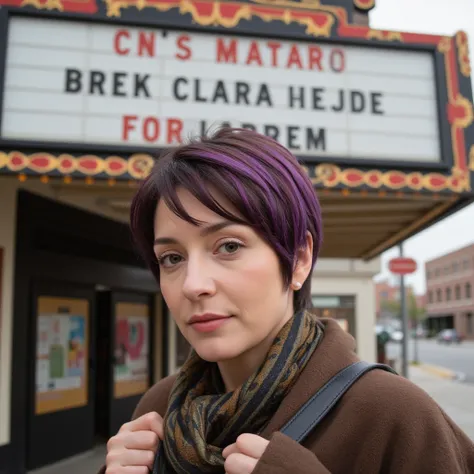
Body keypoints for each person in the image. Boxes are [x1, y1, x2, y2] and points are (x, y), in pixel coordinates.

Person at [101, 128, 474, 474]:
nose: (193, 285)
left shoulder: (393, 414)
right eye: (172, 258)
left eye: (228, 246)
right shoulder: (158, 409)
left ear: (298, 260)